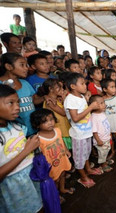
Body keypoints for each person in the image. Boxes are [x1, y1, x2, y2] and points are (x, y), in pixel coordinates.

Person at [0, 84, 42, 213]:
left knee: (39, 206)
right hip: (14, 187)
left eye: (18, 102)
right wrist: (27, 150)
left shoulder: (17, 126)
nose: (17, 107)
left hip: (31, 177)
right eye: (10, 103)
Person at [63, 73, 102, 188]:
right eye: (82, 84)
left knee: (86, 153)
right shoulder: (70, 100)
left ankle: (88, 169)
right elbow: (75, 118)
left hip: (86, 132)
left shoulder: (81, 97)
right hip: (79, 134)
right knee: (79, 157)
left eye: (85, 83)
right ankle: (83, 177)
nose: (85, 86)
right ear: (73, 86)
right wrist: (90, 107)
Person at [30, 109, 73, 197]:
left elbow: (61, 141)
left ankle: (62, 188)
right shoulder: (38, 139)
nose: (50, 123)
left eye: (51, 119)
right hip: (50, 165)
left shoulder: (57, 130)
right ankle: (56, 195)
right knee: (54, 180)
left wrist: (66, 150)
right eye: (45, 121)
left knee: (62, 174)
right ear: (37, 124)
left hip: (61, 159)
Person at [0, 53, 44, 136]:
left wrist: (45, 98)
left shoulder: (25, 83)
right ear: (9, 66)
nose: (26, 68)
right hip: (12, 133)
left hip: (32, 128)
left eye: (26, 65)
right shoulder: (1, 85)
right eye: (22, 65)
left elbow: (33, 100)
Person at [101, 79, 116, 163]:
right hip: (107, 126)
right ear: (105, 89)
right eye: (111, 87)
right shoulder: (102, 101)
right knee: (110, 141)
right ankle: (112, 152)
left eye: (114, 87)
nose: (114, 89)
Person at [89, 95, 113, 172]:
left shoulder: (102, 113)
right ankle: (103, 165)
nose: (104, 104)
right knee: (102, 153)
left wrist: (109, 134)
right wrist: (98, 140)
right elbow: (94, 131)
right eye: (101, 103)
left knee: (106, 151)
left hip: (106, 138)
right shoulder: (94, 117)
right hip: (101, 140)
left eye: (104, 102)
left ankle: (104, 160)